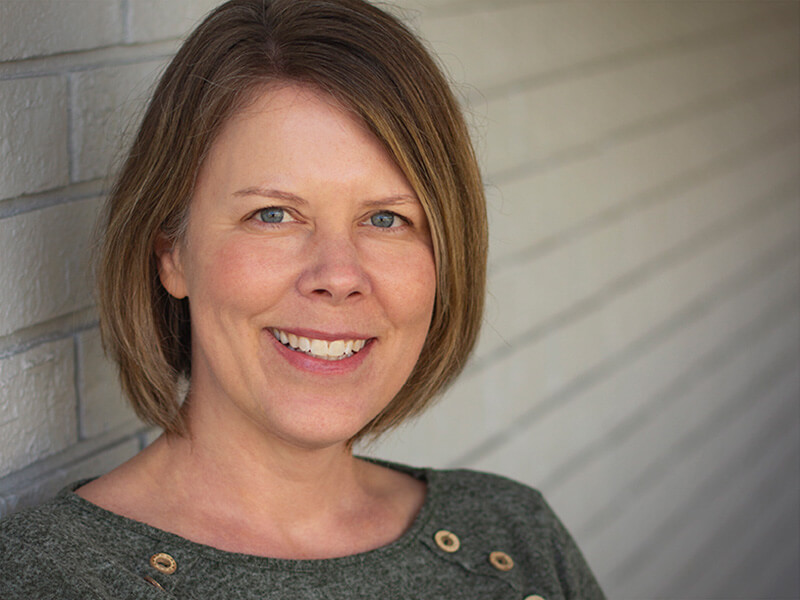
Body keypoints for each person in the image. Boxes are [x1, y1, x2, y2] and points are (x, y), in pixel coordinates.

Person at [0, 0, 605, 598]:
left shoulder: (512, 539)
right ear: (172, 254)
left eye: (388, 220)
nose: (338, 275)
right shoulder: (48, 579)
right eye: (273, 214)